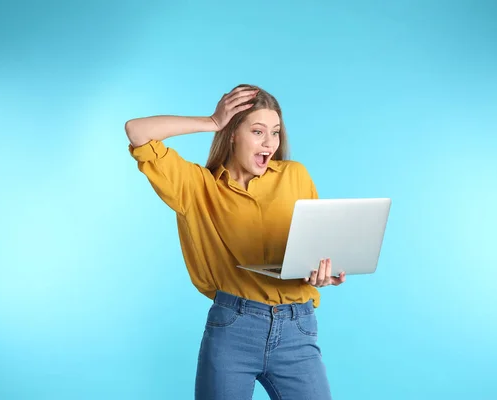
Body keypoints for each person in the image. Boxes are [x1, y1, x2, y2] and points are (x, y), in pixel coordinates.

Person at [125, 84, 346, 400]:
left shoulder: (295, 176)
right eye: (258, 132)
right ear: (232, 134)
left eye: (275, 132)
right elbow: (136, 131)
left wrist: (323, 273)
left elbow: (314, 249)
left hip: (297, 328)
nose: (269, 143)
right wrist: (212, 121)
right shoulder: (197, 187)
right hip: (234, 329)